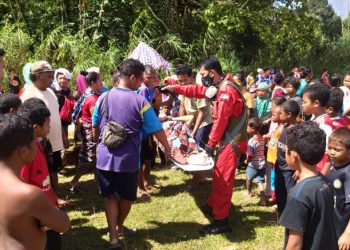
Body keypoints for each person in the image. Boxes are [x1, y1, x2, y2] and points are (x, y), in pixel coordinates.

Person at [163, 56, 248, 235]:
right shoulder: (222, 85)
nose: (201, 78)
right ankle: (213, 205)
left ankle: (221, 221)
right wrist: (175, 88)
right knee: (219, 176)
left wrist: (210, 145)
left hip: (231, 141)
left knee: (223, 180)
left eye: (202, 74)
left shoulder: (225, 92)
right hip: (229, 140)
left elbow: (220, 122)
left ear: (211, 72)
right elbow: (198, 90)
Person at [92, 59, 171, 248]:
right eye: (141, 80)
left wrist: (97, 144)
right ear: (133, 77)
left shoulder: (103, 97)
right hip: (127, 159)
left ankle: (113, 237)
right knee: (126, 197)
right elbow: (156, 128)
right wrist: (167, 147)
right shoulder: (140, 101)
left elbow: (95, 124)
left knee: (109, 197)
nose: (142, 84)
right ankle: (119, 227)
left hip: (104, 156)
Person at [0, 114, 70, 249]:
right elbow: (63, 224)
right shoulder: (28, 194)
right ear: (24, 151)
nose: (37, 147)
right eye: (35, 142)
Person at [19, 98, 69, 249]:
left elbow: (44, 179)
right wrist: (37, 216)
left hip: (47, 209)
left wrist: (55, 198)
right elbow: (22, 189)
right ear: (35, 127)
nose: (50, 126)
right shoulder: (26, 155)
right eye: (48, 123)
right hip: (37, 217)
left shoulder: (40, 145)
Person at [278, 121, 338, 250]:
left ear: (294, 156)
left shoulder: (298, 195)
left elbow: (294, 245)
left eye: (286, 150)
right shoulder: (324, 181)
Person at [20, 60, 64, 194]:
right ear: (38, 76)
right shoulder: (28, 94)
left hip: (55, 141)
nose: (52, 78)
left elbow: (56, 115)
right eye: (49, 75)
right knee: (43, 172)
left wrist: (62, 134)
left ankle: (56, 197)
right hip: (40, 143)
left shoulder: (50, 92)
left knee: (54, 170)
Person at [176, 64, 213, 190]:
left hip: (203, 123)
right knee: (190, 146)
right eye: (179, 81)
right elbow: (182, 107)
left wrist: (194, 131)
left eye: (184, 80)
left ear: (192, 77)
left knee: (198, 148)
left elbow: (202, 113)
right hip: (191, 122)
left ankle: (197, 179)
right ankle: (200, 175)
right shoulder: (182, 90)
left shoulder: (199, 90)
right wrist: (182, 125)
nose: (182, 83)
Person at [70, 71, 102, 192]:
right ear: (93, 83)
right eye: (100, 81)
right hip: (91, 131)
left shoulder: (88, 95)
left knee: (96, 157)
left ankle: (99, 183)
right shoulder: (92, 99)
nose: (102, 83)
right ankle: (74, 181)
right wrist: (96, 135)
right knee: (89, 158)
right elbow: (95, 119)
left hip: (87, 130)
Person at [326, 128, 350, 249]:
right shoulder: (333, 165)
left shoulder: (347, 173)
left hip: (342, 228)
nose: (331, 152)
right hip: (331, 225)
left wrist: (347, 234)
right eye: (329, 148)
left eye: (337, 149)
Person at [275, 100, 300, 214]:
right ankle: (281, 213)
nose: (279, 116)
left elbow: (299, 150)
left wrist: (298, 169)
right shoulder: (284, 126)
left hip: (289, 170)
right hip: (279, 165)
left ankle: (291, 215)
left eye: (281, 113)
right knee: (280, 191)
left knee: (290, 193)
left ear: (289, 114)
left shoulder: (296, 130)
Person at [245, 117, 266, 205]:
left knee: (248, 178)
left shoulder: (251, 141)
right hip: (262, 163)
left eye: (247, 128)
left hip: (253, 164)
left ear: (253, 129)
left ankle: (249, 192)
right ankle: (263, 199)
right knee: (259, 181)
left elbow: (250, 155)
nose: (246, 129)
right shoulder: (262, 138)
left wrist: (247, 161)